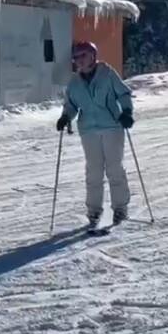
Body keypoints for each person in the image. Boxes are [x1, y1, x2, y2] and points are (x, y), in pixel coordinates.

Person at [56, 41, 135, 230]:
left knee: (114, 167)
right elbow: (71, 105)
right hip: (88, 130)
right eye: (76, 58)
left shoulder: (107, 73)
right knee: (93, 170)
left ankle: (120, 208)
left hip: (111, 126)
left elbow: (123, 94)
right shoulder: (74, 82)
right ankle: (94, 210)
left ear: (93, 55)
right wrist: (65, 117)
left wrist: (127, 112)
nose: (79, 61)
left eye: (82, 56)